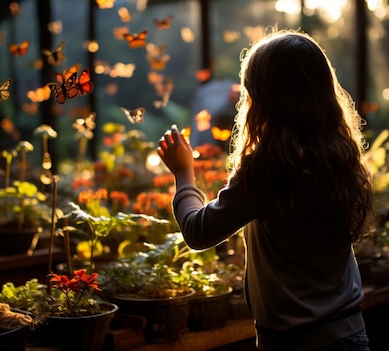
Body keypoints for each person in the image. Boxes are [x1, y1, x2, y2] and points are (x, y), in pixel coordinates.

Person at [157, 28, 374, 351]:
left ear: (262, 101)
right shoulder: (339, 156)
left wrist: (184, 172)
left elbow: (199, 231)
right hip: (350, 334)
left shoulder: (267, 167)